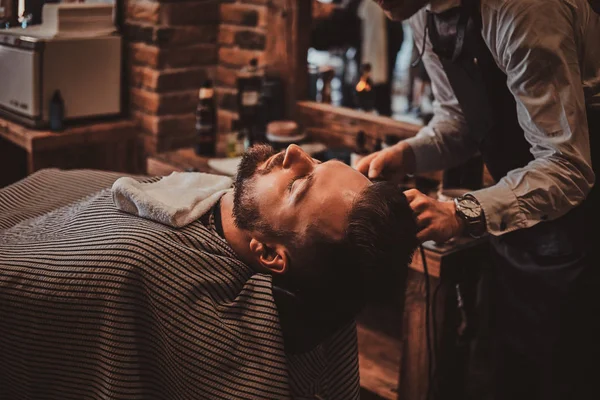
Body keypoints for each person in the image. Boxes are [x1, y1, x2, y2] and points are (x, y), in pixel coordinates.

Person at [0, 145, 419, 399]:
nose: (292, 152)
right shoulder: (218, 202)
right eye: (317, 160)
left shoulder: (134, 266)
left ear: (270, 255)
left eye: (296, 186)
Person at [357, 0, 599, 399]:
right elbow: (460, 120)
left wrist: (462, 212)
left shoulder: (523, 9)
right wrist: (409, 154)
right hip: (520, 222)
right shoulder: (417, 9)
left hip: (586, 228)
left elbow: (567, 166)